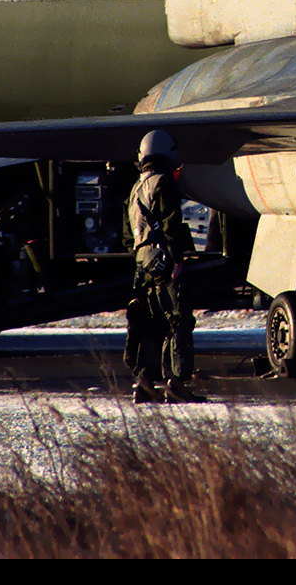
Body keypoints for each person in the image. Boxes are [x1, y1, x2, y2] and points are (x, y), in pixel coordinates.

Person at [123, 130, 200, 403]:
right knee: (177, 320)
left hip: (141, 263)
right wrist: (178, 260)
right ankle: (176, 383)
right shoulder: (163, 183)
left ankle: (144, 382)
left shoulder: (136, 187)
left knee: (150, 323)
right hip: (163, 260)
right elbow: (171, 225)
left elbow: (126, 236)